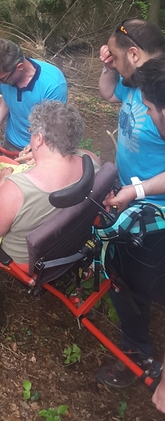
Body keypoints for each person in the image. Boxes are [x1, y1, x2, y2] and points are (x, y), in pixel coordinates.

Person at [95, 55, 165, 393]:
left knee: (136, 275)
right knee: (126, 272)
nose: (148, 115)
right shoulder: (144, 83)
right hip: (141, 203)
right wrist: (135, 190)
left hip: (156, 214)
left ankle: (139, 353)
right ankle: (137, 346)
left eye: (151, 109)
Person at [0, 101, 99, 266]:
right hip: (68, 242)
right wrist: (40, 157)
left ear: (39, 139)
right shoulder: (92, 162)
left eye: (31, 132)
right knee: (3, 161)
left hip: (28, 258)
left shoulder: (14, 190)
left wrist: (2, 181)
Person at [98, 18, 165, 210]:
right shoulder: (132, 80)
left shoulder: (160, 93)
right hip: (130, 190)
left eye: (116, 58)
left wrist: (139, 190)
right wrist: (109, 68)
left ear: (133, 54)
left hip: (155, 206)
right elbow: (109, 93)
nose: (115, 63)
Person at [0, 39, 67, 151]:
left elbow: (54, 126)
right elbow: (7, 100)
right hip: (11, 142)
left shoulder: (53, 83)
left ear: (20, 67)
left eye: (2, 79)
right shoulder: (3, 77)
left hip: (41, 146)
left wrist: (34, 149)